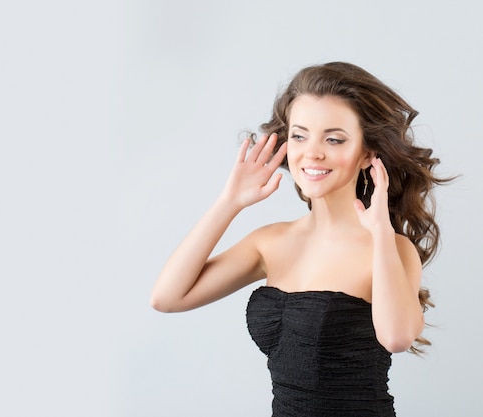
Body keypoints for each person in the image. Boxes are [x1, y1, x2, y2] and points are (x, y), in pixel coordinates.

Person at [150, 62, 451, 417]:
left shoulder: (390, 247)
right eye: (299, 135)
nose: (312, 152)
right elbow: (167, 298)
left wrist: (382, 233)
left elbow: (397, 338)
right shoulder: (270, 241)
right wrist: (229, 203)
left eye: (334, 138)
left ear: (368, 153)